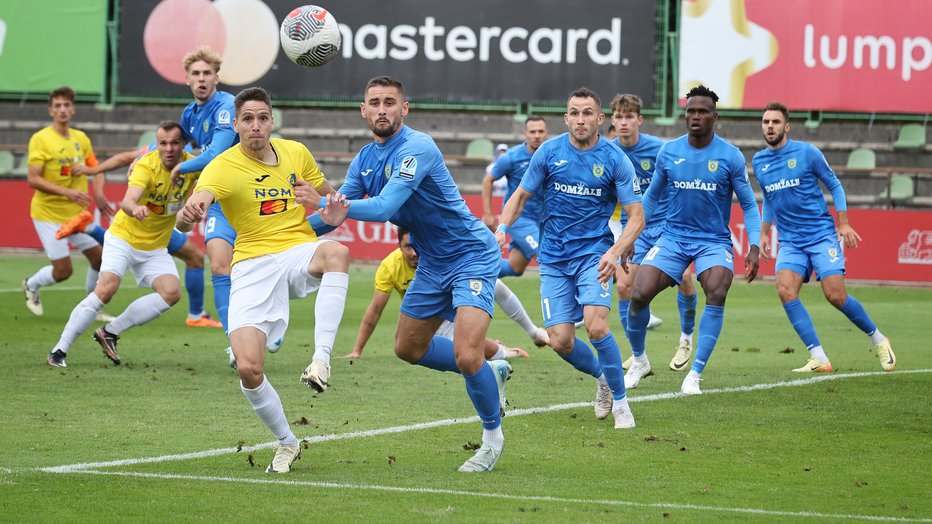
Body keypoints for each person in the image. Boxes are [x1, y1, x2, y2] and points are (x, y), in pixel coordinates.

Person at [300, 75, 512, 473]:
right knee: (407, 349)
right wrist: (279, 236)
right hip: (433, 262)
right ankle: (491, 370)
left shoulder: (418, 147)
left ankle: (491, 438)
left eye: (390, 102)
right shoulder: (365, 159)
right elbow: (332, 216)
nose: (382, 109)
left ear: (404, 108)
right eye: (374, 103)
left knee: (468, 355)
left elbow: (381, 209)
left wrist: (329, 202)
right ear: (363, 110)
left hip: (471, 255)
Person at [178, 87, 348, 474]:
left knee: (337, 251)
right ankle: (287, 442)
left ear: (272, 121)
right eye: (248, 119)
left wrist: (324, 205)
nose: (256, 126)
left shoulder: (296, 153)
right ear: (236, 124)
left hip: (295, 251)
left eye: (263, 118)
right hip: (252, 264)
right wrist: (191, 211)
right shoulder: (222, 165)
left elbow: (333, 205)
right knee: (248, 367)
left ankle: (321, 360)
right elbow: (191, 209)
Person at [495, 87, 644, 430]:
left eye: (587, 113)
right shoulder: (549, 152)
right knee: (560, 340)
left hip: (594, 254)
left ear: (599, 118)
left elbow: (636, 215)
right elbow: (520, 196)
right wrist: (502, 228)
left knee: (596, 326)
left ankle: (622, 404)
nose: (581, 119)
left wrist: (615, 250)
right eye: (574, 113)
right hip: (554, 258)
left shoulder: (614, 159)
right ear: (565, 119)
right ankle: (603, 378)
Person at [628, 85, 761, 395]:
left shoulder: (730, 156)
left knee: (716, 290)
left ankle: (695, 374)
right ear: (685, 116)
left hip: (712, 241)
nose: (696, 116)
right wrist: (631, 236)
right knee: (638, 295)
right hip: (672, 237)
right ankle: (639, 362)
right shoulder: (669, 152)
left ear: (714, 116)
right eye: (691, 111)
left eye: (703, 111)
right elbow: (651, 197)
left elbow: (750, 205)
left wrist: (754, 245)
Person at [751, 102, 895, 372]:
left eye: (775, 122)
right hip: (791, 241)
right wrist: (764, 233)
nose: (770, 126)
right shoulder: (759, 162)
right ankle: (818, 356)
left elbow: (834, 184)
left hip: (820, 235)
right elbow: (769, 198)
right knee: (785, 289)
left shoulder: (807, 153)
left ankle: (879, 339)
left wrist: (843, 223)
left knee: (835, 295)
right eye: (766, 122)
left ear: (787, 126)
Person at [47, 121, 200, 368]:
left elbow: (217, 167)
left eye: (174, 143)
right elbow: (129, 200)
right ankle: (59, 350)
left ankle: (109, 331)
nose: (169, 148)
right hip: (123, 238)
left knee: (171, 293)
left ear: (183, 145)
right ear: (156, 144)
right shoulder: (146, 166)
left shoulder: (192, 166)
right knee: (107, 288)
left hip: (154, 247)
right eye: (163, 143)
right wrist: (134, 207)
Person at [58, 144, 223, 329]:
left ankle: (90, 229)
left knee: (188, 257)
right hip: (154, 222)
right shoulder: (179, 143)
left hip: (152, 219)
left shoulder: (162, 143)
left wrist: (94, 170)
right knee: (194, 257)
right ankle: (195, 316)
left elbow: (126, 156)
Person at [606, 94, 698, 389]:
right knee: (623, 286)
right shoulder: (608, 153)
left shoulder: (660, 149)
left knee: (684, 277)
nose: (623, 122)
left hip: (668, 226)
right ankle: (637, 356)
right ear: (612, 120)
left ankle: (685, 339)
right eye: (618, 117)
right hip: (633, 230)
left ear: (639, 120)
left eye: (628, 117)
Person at [345, 227, 529, 360]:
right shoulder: (389, 267)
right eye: (408, 247)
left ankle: (533, 331)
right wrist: (357, 350)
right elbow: (375, 310)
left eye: (416, 246)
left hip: (456, 300)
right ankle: (506, 352)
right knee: (470, 350)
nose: (414, 253)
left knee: (494, 285)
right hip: (432, 319)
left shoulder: (437, 255)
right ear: (399, 246)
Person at [21, 86, 116, 323]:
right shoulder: (41, 139)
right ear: (50, 110)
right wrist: (68, 192)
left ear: (72, 109)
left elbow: (96, 168)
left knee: (100, 258)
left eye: (66, 105)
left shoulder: (80, 138)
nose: (62, 110)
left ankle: (90, 308)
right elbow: (33, 179)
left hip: (76, 216)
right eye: (57, 106)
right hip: (48, 214)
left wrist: (99, 193)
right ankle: (31, 284)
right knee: (64, 271)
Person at [479, 117, 551, 349]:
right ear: (525, 134)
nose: (537, 135)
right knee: (545, 256)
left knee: (517, 268)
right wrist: (489, 213)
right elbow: (489, 179)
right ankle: (569, 312)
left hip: (542, 221)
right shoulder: (511, 157)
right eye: (532, 131)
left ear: (546, 133)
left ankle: (475, 269)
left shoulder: (550, 154)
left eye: (541, 131)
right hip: (520, 220)